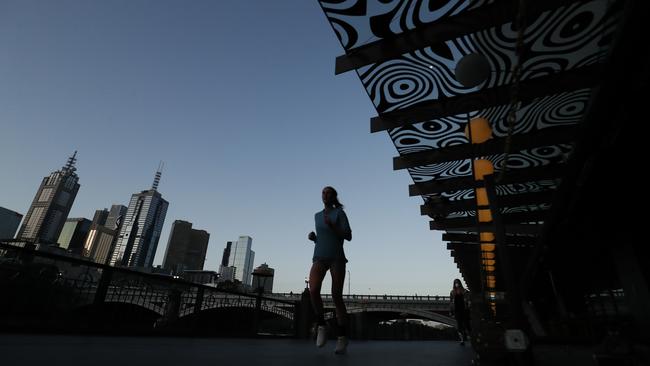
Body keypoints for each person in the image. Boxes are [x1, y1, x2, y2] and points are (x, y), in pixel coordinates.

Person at [307, 186, 352, 355]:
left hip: (336, 257)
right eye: (323, 192)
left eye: (328, 193)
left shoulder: (339, 213)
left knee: (336, 296)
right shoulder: (317, 216)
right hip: (319, 256)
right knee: (313, 290)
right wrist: (315, 239)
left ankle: (342, 338)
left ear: (334, 197)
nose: (325, 195)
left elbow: (348, 236)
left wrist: (334, 227)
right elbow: (324, 238)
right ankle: (321, 325)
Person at [450, 278, 470, 345]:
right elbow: (451, 303)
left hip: (464, 310)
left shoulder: (464, 291)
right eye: (455, 283)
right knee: (459, 326)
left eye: (457, 282)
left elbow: (468, 299)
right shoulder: (452, 292)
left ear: (460, 283)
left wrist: (467, 303)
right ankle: (462, 340)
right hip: (457, 310)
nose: (456, 284)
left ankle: (469, 336)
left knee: (467, 324)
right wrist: (451, 311)